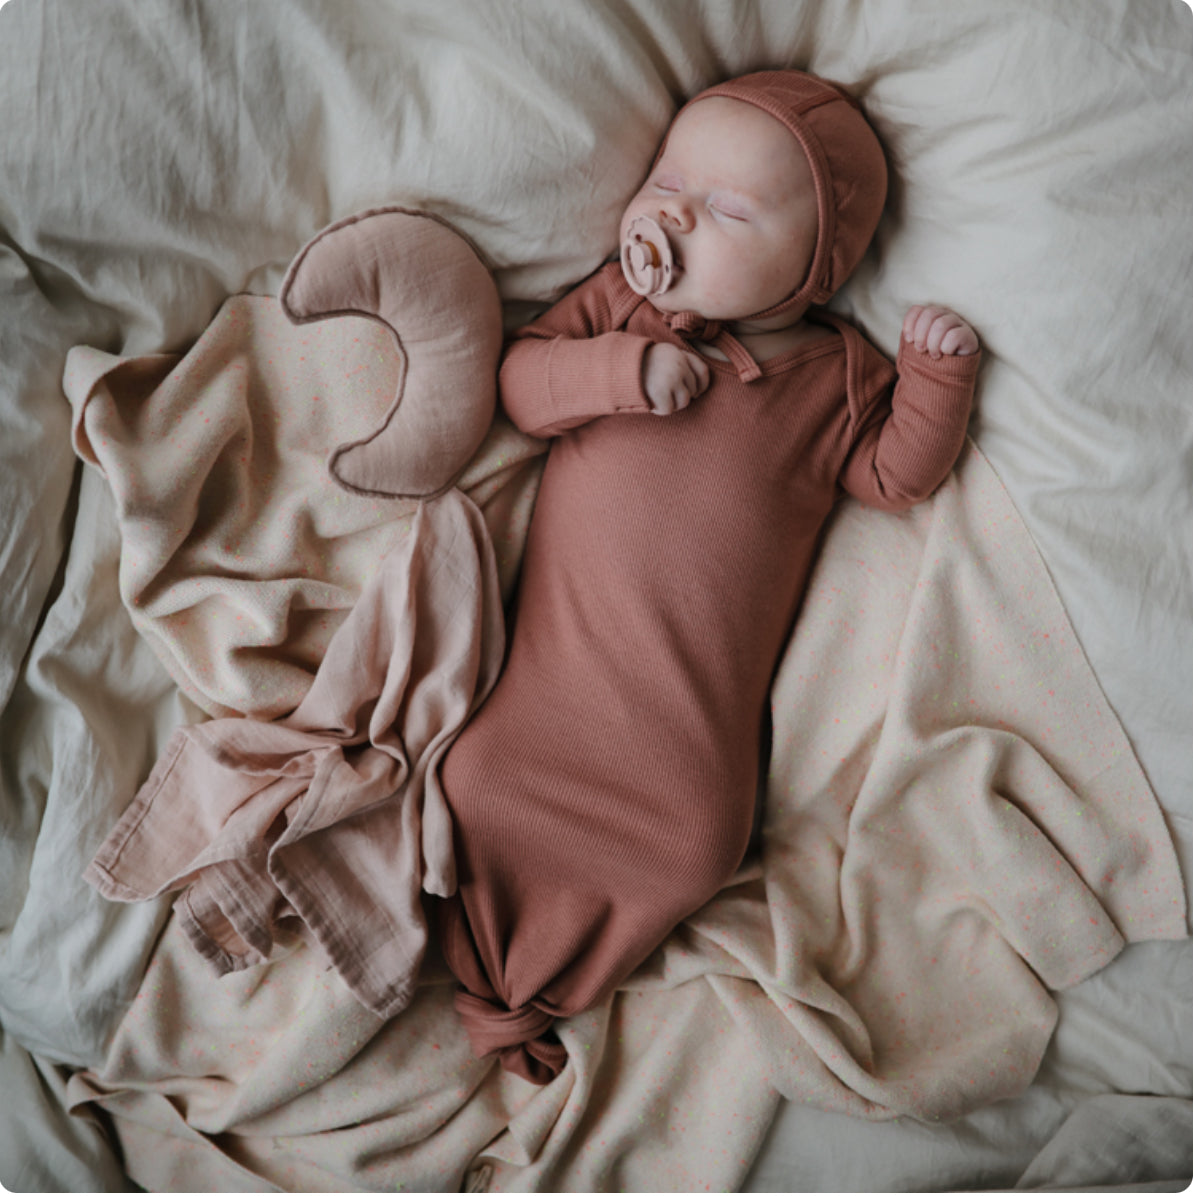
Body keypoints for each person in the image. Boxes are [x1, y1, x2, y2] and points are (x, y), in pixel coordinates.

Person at [436, 68, 981, 1084]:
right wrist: (618, 374)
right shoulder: (621, 309)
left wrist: (935, 382)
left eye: (726, 209)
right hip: (553, 695)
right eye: (668, 179)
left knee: (690, 849)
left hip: (681, 743)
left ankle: (549, 993)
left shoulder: (839, 378)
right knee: (475, 781)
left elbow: (893, 477)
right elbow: (519, 386)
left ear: (815, 268)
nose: (672, 212)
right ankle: (489, 975)